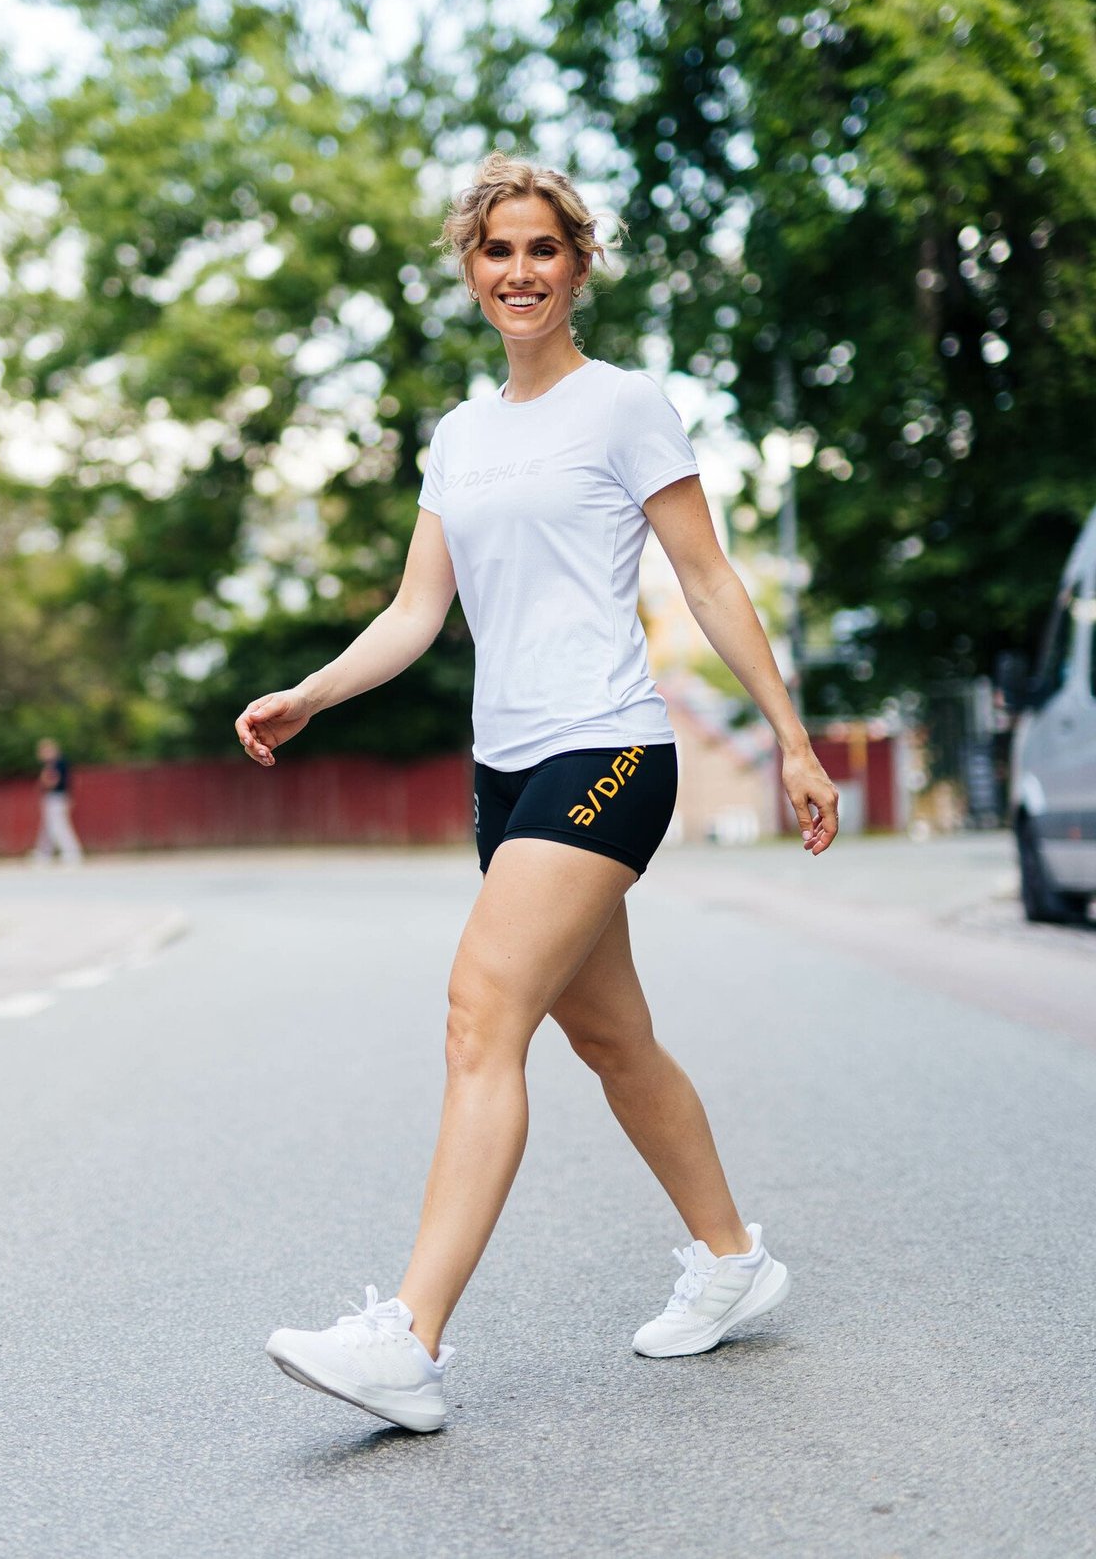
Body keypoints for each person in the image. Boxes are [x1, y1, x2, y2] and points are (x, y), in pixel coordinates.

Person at [235, 152, 838, 1435]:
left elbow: (709, 579)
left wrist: (790, 737)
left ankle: (409, 1337)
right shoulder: (458, 436)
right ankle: (733, 1257)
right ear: (471, 267)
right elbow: (416, 610)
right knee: (611, 1037)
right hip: (505, 768)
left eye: (544, 249)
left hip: (609, 748)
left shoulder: (624, 407)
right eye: (497, 250)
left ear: (577, 265)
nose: (520, 271)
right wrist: (313, 692)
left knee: (479, 1011)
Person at [33, 738, 83, 864]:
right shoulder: (57, 763)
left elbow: (53, 782)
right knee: (48, 827)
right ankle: (44, 854)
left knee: (59, 827)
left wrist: (43, 781)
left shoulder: (57, 764)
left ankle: (72, 853)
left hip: (56, 797)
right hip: (56, 797)